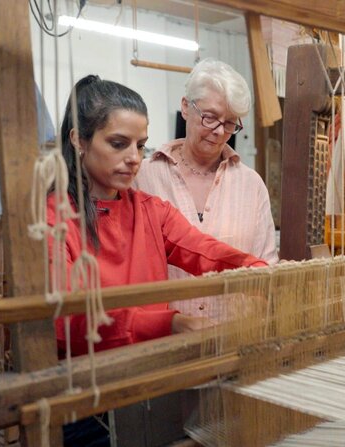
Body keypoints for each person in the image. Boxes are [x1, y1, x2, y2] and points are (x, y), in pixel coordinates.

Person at [48, 74, 267, 358]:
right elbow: (67, 317)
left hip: (152, 372)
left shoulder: (151, 211)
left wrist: (257, 269)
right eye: (118, 144)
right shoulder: (53, 219)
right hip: (88, 384)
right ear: (79, 140)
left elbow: (204, 251)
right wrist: (169, 323)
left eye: (140, 145)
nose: (134, 158)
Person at [135, 58, 278, 322]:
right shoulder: (143, 177)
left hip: (232, 338)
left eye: (230, 123)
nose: (219, 131)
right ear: (186, 107)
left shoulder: (251, 185)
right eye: (210, 118)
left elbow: (265, 268)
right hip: (161, 342)